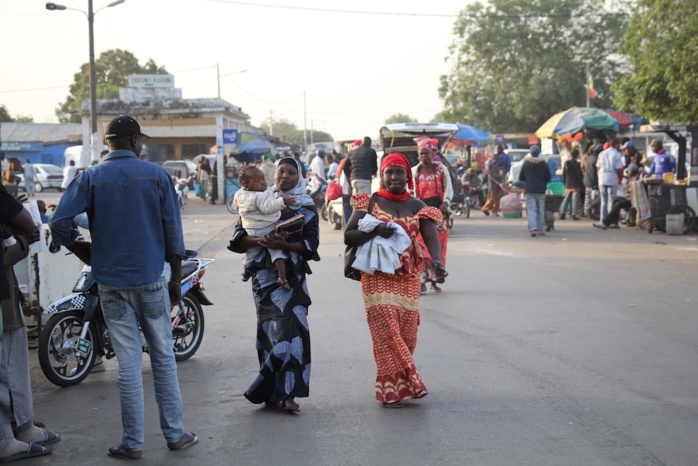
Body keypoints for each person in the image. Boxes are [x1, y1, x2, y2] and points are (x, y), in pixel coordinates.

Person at [50, 115, 197, 460]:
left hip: (110, 284)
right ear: (135, 142)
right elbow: (173, 236)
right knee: (162, 357)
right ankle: (175, 434)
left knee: (128, 365)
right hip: (150, 282)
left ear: (107, 144)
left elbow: (58, 221)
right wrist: (176, 279)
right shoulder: (157, 175)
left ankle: (132, 443)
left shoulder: (90, 177)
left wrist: (76, 246)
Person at [344, 153, 445, 408]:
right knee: (387, 329)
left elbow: (431, 235)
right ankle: (395, 387)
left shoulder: (417, 205)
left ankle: (399, 382)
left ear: (407, 176)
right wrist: (375, 229)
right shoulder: (369, 201)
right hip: (376, 277)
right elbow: (349, 235)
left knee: (407, 334)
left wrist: (437, 260)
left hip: (408, 276)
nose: (394, 177)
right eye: (389, 172)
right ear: (382, 175)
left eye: (399, 172)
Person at [227, 157, 318, 412]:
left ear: (299, 176)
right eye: (281, 171)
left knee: (290, 334)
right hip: (263, 280)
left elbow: (311, 244)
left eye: (291, 172)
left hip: (291, 279)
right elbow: (238, 236)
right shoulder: (256, 198)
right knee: (268, 334)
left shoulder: (306, 205)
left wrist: (284, 246)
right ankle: (272, 394)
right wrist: (262, 242)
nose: (285, 176)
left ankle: (288, 393)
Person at [0, 186, 59, 463]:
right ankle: (14, 433)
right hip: (4, 303)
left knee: (12, 365)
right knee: (9, 367)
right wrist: (22, 241)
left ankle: (21, 427)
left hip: (8, 296)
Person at [232, 166, 296, 288]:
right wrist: (283, 201)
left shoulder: (239, 194)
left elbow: (236, 208)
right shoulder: (258, 195)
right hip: (265, 227)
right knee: (276, 251)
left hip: (250, 229)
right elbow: (268, 208)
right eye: (258, 181)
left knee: (251, 253)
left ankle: (245, 273)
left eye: (263, 179)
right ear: (246, 185)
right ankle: (282, 277)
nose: (263, 182)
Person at [410, 137, 452, 294]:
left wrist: (445, 204)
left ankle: (434, 280)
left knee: (438, 249)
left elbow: (448, 188)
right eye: (421, 154)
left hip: (439, 215)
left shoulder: (441, 169)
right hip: (421, 215)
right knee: (420, 247)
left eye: (426, 153)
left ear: (432, 154)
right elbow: (411, 193)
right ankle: (421, 282)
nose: (424, 157)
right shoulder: (415, 171)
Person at [519, 145, 550, 237]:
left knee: (531, 209)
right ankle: (540, 229)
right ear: (539, 153)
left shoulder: (526, 163)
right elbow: (548, 178)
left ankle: (533, 229)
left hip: (530, 190)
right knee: (540, 210)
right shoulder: (544, 164)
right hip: (541, 190)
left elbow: (521, 177)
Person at [597, 139, 624, 223]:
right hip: (612, 179)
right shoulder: (616, 154)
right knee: (611, 201)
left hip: (602, 178)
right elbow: (618, 169)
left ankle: (603, 220)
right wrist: (624, 176)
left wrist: (599, 177)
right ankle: (609, 221)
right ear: (616, 145)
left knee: (603, 201)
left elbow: (598, 167)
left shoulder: (602, 153)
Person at [481, 145, 508, 216]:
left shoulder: (500, 165)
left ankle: (495, 212)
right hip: (492, 184)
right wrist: (495, 181)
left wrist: (501, 181)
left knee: (498, 198)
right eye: (494, 159)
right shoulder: (490, 165)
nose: (495, 160)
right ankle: (484, 208)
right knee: (492, 198)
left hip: (499, 183)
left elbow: (501, 174)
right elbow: (489, 175)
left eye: (497, 159)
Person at [559, 149, 584, 220]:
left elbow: (564, 174)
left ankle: (562, 213)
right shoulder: (577, 164)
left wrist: (565, 182)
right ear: (577, 155)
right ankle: (574, 214)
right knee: (575, 199)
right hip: (576, 183)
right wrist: (581, 184)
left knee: (566, 198)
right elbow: (579, 175)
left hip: (568, 183)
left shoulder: (566, 163)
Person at [583, 144, 601, 218]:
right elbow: (596, 172)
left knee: (588, 198)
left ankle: (586, 212)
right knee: (594, 199)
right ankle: (591, 212)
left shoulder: (590, 157)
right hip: (593, 181)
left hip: (587, 180)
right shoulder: (596, 159)